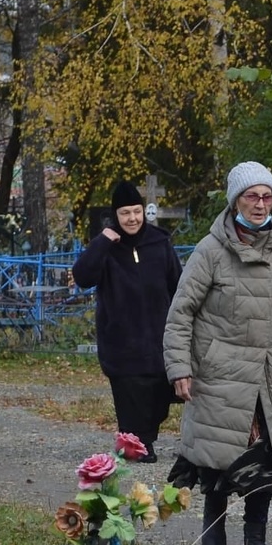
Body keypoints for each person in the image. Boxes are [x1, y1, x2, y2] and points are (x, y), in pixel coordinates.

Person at [163, 162, 272, 545]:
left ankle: (256, 542)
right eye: (252, 196)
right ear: (235, 201)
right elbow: (181, 313)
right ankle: (213, 516)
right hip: (218, 369)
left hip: (268, 371)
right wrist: (180, 368)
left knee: (263, 458)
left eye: (267, 196)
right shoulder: (210, 251)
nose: (260, 204)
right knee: (220, 453)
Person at [72, 181, 182, 463]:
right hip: (121, 339)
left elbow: (178, 285)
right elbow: (83, 276)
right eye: (125, 213)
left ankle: (144, 438)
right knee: (130, 394)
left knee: (158, 395)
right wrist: (104, 239)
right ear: (115, 216)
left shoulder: (160, 243)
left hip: (157, 336)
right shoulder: (106, 248)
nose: (132, 219)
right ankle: (137, 443)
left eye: (136, 211)